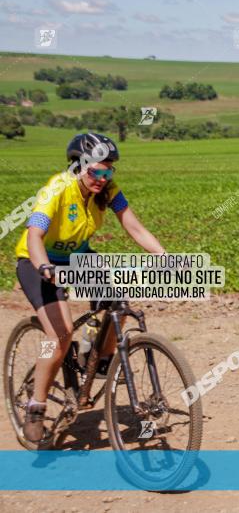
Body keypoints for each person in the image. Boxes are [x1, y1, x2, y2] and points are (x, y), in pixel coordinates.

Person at [13, 133, 166, 443]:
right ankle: (36, 407)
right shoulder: (57, 188)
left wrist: (165, 257)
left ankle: (94, 360)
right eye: (96, 171)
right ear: (78, 166)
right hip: (38, 262)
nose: (103, 178)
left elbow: (133, 226)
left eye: (108, 171)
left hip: (78, 259)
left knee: (117, 304)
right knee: (58, 335)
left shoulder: (108, 191)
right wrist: (45, 267)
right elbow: (34, 235)